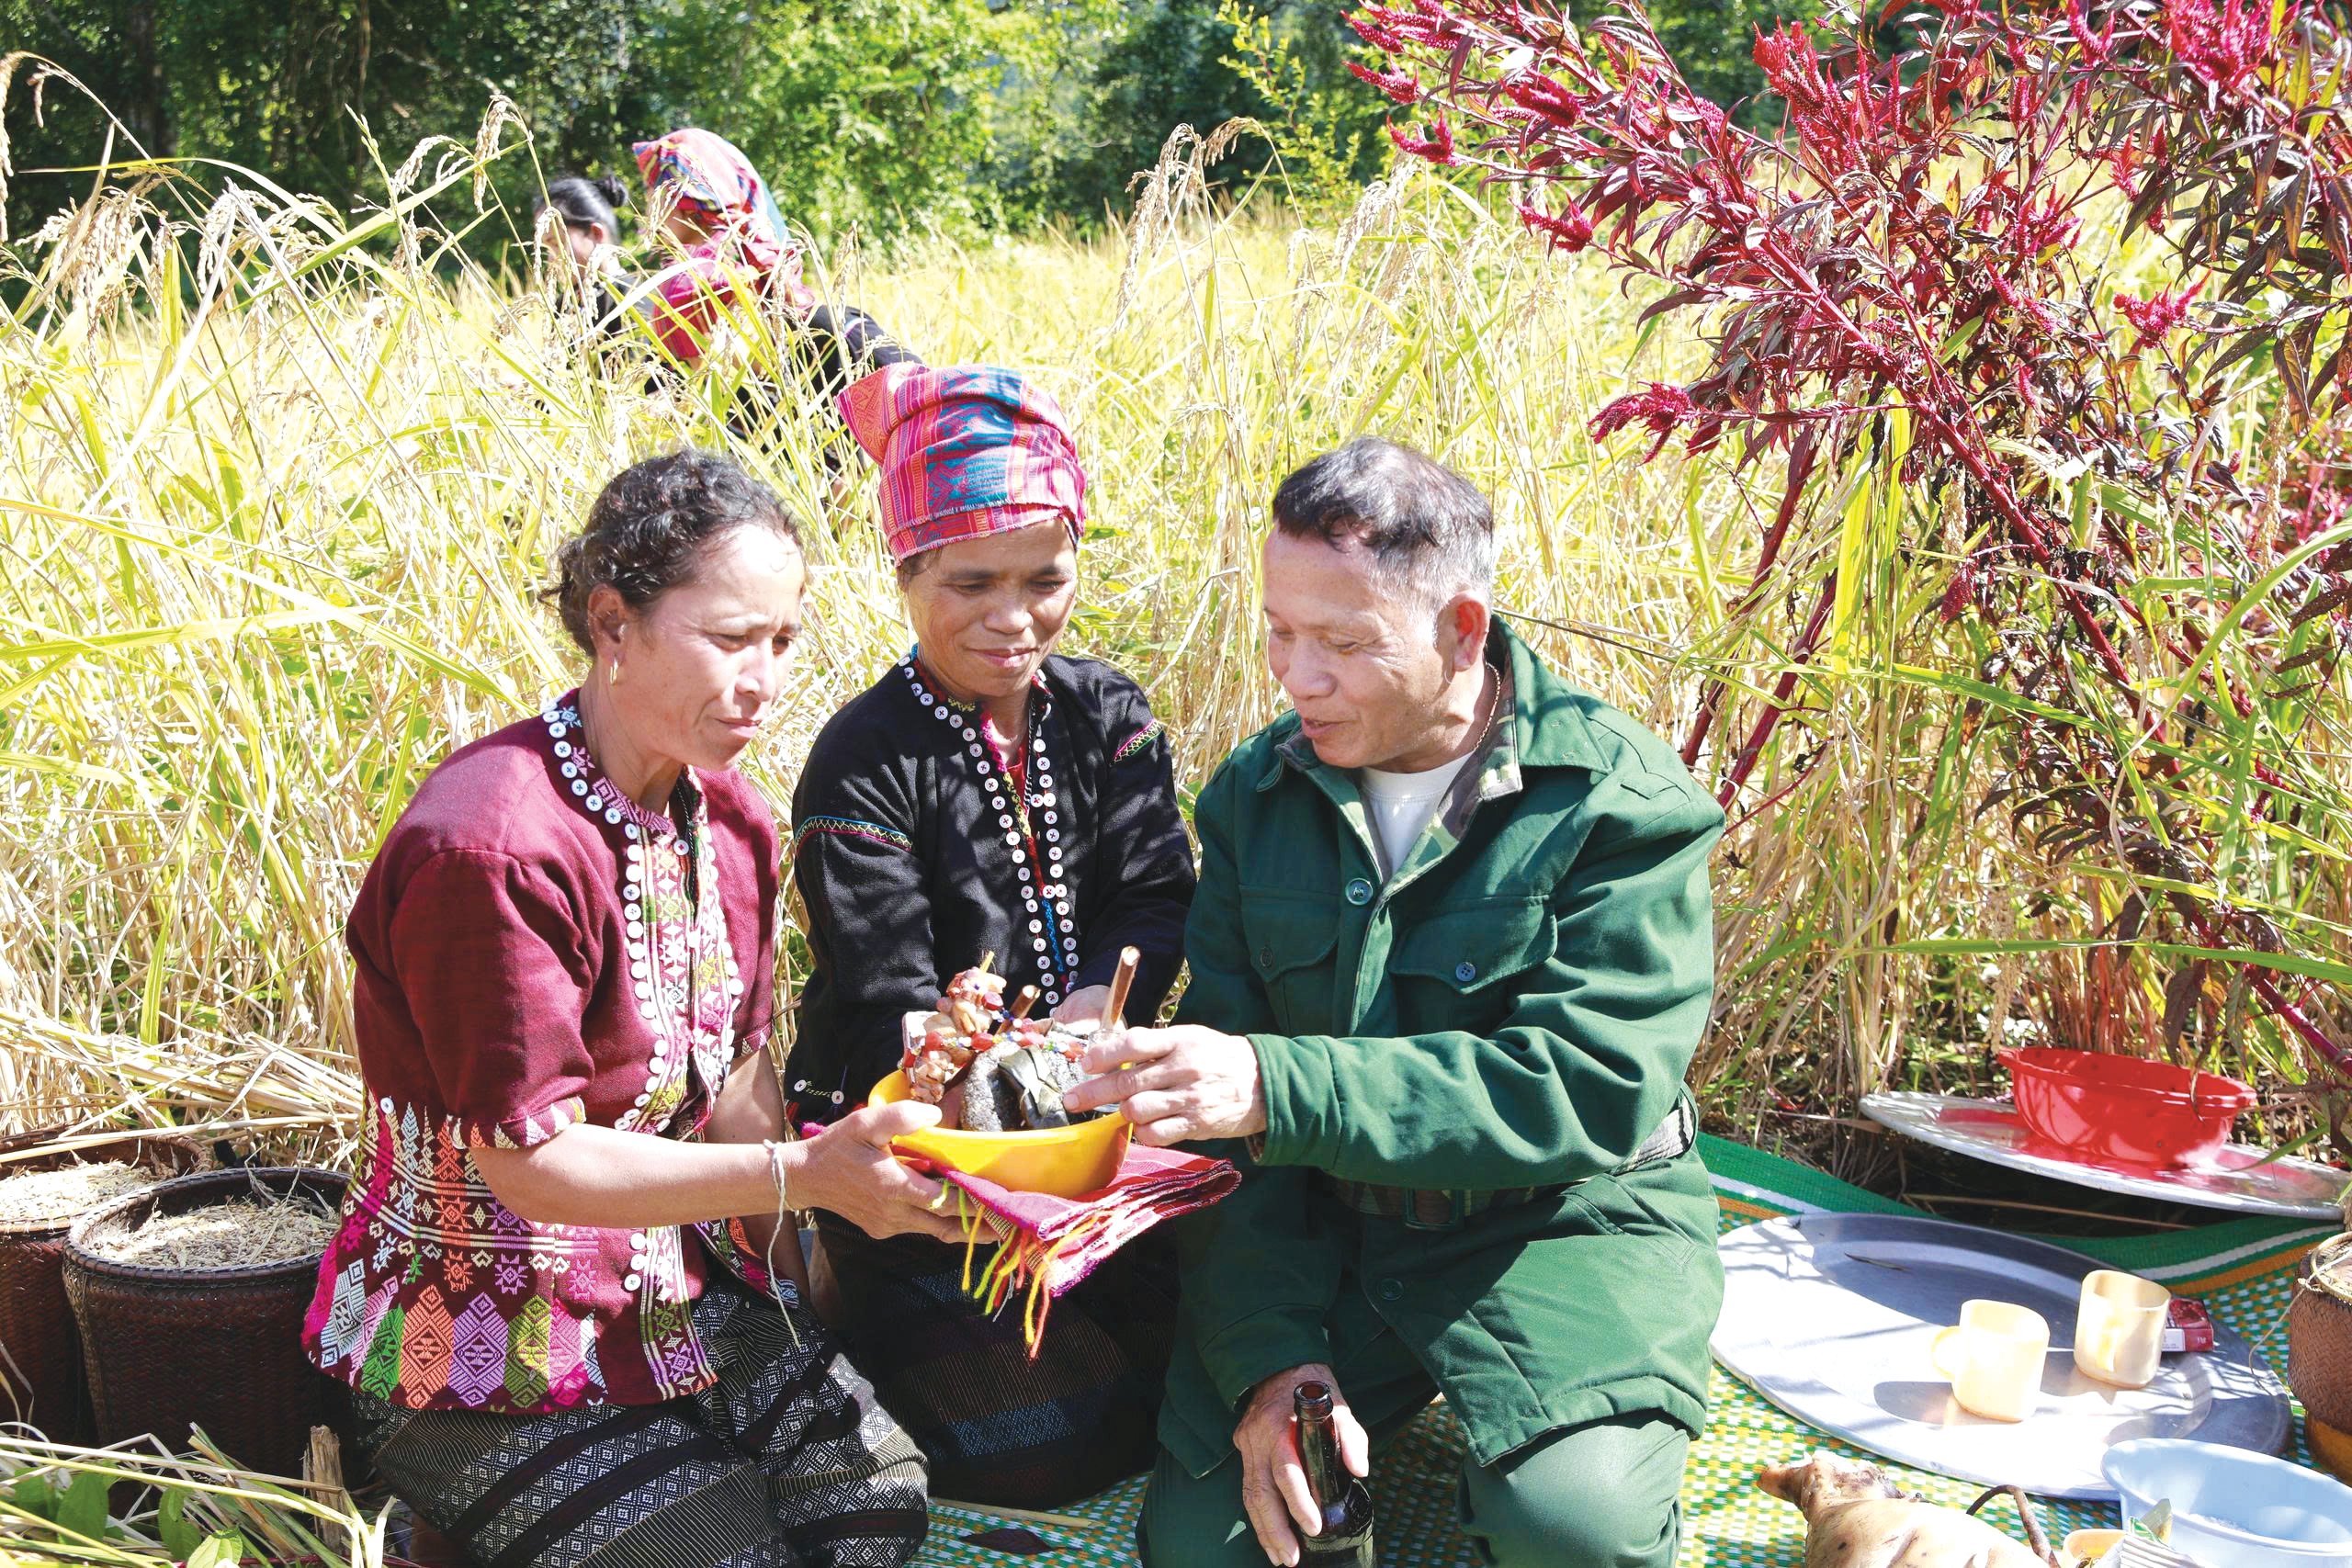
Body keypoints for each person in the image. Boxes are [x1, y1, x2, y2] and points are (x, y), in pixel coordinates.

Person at [1067, 438, 1726, 1568]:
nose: (1296, 675)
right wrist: (1274, 1360)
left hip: (1557, 1227)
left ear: (1461, 630)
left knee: (1573, 1531)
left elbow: (1585, 1090)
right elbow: (1231, 1156)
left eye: (1344, 643)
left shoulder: (1620, 806)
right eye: (1279, 630)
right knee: (1217, 1550)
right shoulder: (1253, 798)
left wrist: (1276, 1082)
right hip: (1325, 1236)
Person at [304, 451, 970, 1568]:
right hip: (482, 1344)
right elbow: (534, 1166)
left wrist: (803, 1256)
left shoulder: (735, 826)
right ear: (612, 624)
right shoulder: (492, 846)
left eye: (781, 641)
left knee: (881, 1502)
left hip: (679, 1298)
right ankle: (454, 1516)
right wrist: (807, 1177)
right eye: (727, 638)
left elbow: (743, 1082)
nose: (762, 679)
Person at [788, 363, 1197, 1507]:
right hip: (918, 1158)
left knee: (1222, 1365)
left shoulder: (1107, 712)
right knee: (1037, 1444)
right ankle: (843, 1284)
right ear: (906, 573)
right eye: (970, 582)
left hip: (1094, 1132)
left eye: (1043, 579)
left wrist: (1096, 1019)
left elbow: (1155, 896)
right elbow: (884, 993)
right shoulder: (864, 759)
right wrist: (1018, 1076)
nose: (1011, 618)